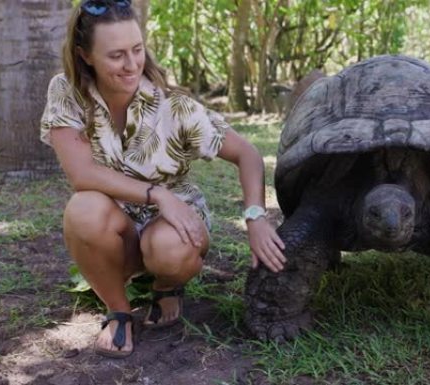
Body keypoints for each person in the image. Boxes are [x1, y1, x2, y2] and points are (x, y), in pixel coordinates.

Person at [40, 0, 286, 358]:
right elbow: (82, 174)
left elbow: (246, 154)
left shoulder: (175, 107)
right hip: (115, 228)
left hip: (172, 227)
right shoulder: (67, 91)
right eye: (116, 55)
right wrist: (156, 194)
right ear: (85, 55)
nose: (131, 64)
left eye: (137, 50)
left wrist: (255, 216)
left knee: (170, 249)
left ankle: (166, 285)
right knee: (83, 208)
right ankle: (118, 309)